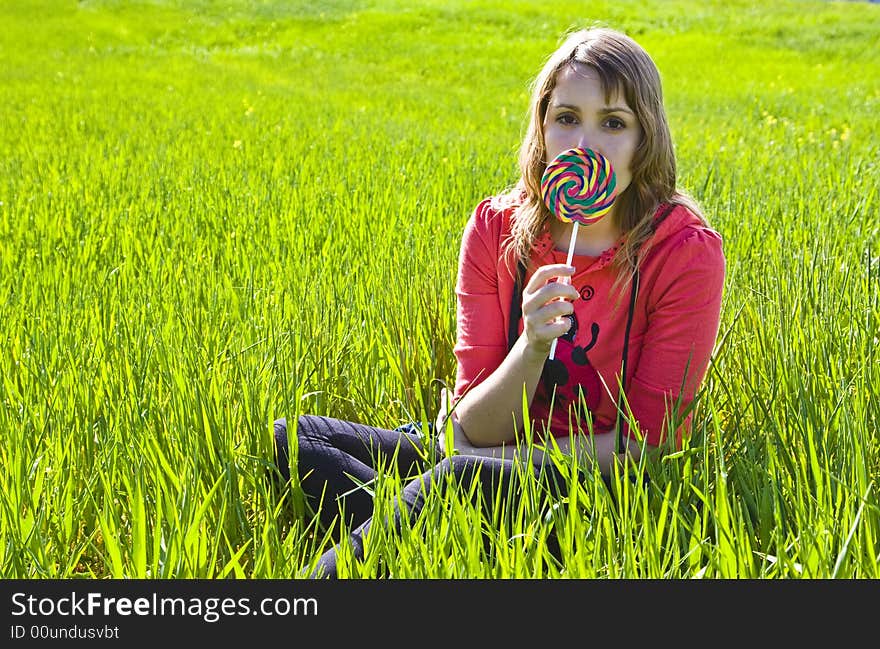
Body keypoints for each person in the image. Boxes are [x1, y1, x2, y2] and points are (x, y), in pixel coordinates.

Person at [272, 26, 725, 578]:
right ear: (542, 129)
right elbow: (479, 423)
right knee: (294, 442)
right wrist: (531, 348)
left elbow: (646, 447)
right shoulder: (496, 230)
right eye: (566, 118)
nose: (584, 144)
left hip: (593, 485)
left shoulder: (682, 253)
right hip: (486, 449)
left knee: (450, 482)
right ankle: (447, 539)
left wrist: (477, 460)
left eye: (612, 123)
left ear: (645, 137)